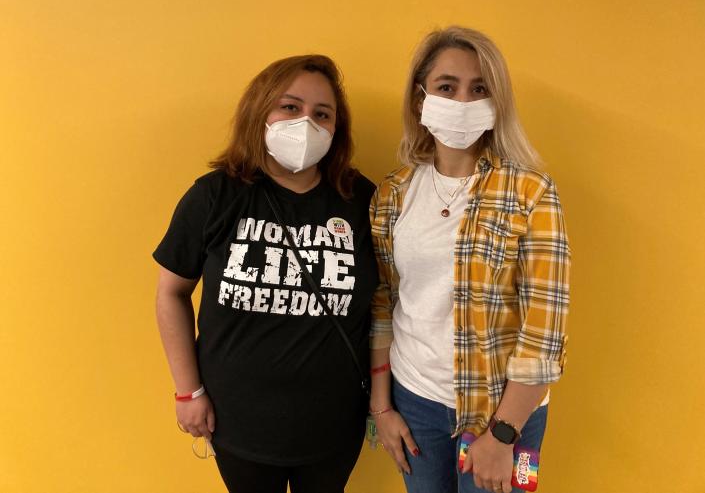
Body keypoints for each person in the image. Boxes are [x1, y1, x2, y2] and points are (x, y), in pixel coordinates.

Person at [153, 54, 378, 493]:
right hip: (238, 423)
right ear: (260, 112)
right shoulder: (215, 195)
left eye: (322, 114)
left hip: (334, 423)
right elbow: (170, 293)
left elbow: (383, 304)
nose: (306, 122)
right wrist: (187, 392)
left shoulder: (361, 200)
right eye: (290, 107)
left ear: (337, 129)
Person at [368, 26, 571, 493]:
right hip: (415, 401)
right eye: (446, 87)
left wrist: (503, 435)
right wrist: (382, 407)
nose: (462, 101)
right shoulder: (391, 195)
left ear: (496, 102)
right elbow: (383, 304)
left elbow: (544, 331)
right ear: (420, 100)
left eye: (479, 89)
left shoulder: (531, 192)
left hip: (503, 412)